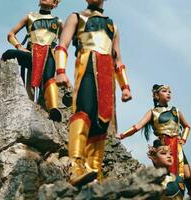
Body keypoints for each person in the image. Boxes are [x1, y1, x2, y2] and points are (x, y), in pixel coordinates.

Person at [54, 0, 132, 186]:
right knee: (84, 110)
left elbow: (117, 57)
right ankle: (75, 166)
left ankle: (95, 172)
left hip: (107, 72)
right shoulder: (76, 16)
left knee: (102, 121)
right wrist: (60, 70)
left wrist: (125, 86)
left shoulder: (112, 25)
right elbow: (62, 44)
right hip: (87, 63)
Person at [117, 84, 191, 194]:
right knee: (167, 174)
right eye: (164, 91)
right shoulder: (153, 112)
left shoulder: (176, 110)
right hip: (164, 146)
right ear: (156, 95)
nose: (168, 93)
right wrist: (122, 135)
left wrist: (184, 138)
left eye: (169, 91)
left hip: (177, 145)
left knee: (187, 175)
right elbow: (138, 126)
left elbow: (187, 126)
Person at [1, 0, 63, 122]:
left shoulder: (58, 21)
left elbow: (63, 43)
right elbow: (11, 34)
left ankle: (53, 109)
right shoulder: (30, 16)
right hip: (32, 52)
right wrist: (19, 47)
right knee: (9, 54)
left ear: (55, 4)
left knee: (49, 77)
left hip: (49, 54)